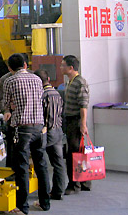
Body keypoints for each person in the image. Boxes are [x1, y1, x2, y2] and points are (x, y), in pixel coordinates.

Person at [3, 53, 50, 213]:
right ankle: (44, 203)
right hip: (39, 128)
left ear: (10, 68)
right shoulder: (37, 79)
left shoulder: (10, 80)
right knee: (41, 165)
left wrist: (10, 107)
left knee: (22, 168)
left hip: (22, 129)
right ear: (25, 65)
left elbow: (6, 103)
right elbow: (39, 99)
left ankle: (22, 207)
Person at [61, 54, 91, 195]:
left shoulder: (80, 83)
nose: (61, 68)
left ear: (71, 67)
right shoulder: (70, 82)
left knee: (74, 154)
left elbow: (83, 105)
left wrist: (83, 124)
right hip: (70, 121)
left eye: (63, 65)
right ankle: (83, 182)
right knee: (77, 152)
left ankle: (74, 185)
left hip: (76, 121)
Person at [35, 69, 66, 200]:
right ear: (48, 79)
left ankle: (44, 191)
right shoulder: (57, 93)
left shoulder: (42, 95)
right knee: (58, 163)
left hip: (46, 132)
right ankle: (58, 191)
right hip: (58, 130)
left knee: (41, 163)